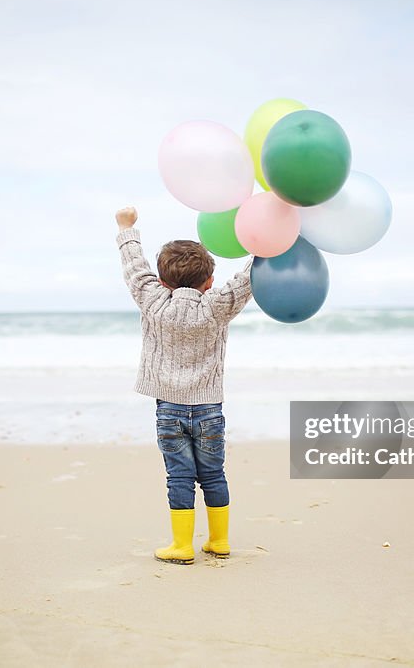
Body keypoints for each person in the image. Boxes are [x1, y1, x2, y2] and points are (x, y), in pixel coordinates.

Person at [114, 206, 252, 565]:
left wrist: (126, 228)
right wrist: (264, 246)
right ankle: (219, 540)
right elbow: (247, 281)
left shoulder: (153, 301)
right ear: (209, 281)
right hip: (209, 409)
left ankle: (181, 546)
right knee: (213, 473)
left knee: (179, 476)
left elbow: (134, 270)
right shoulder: (217, 306)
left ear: (163, 282)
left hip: (169, 409)